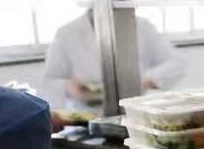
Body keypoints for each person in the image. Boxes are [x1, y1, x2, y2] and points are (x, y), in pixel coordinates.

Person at [44, 9, 187, 109]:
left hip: (134, 110)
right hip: (86, 115)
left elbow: (176, 62)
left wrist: (147, 80)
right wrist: (69, 86)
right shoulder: (67, 32)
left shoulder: (143, 27)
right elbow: (51, 79)